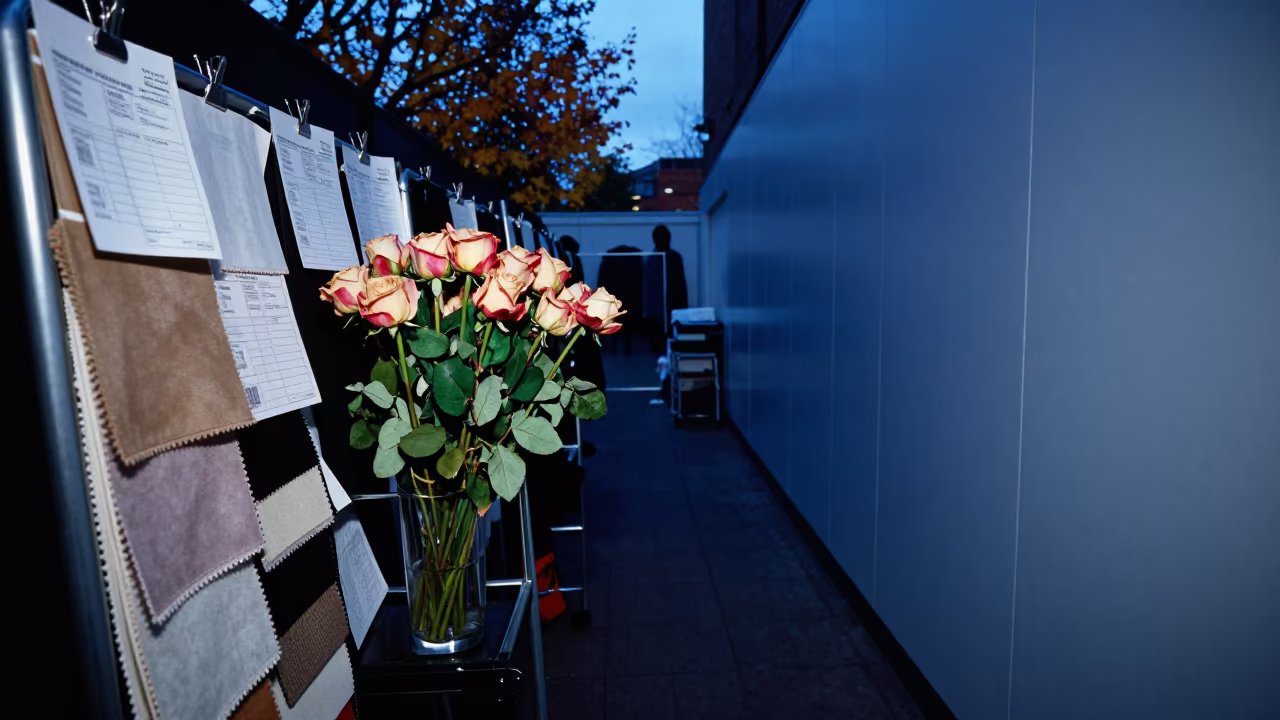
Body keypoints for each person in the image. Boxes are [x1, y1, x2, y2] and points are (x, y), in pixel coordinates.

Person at [643, 224, 688, 354]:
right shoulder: (653, 259)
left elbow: (680, 284)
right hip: (661, 310)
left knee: (667, 343)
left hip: (669, 307)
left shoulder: (667, 258)